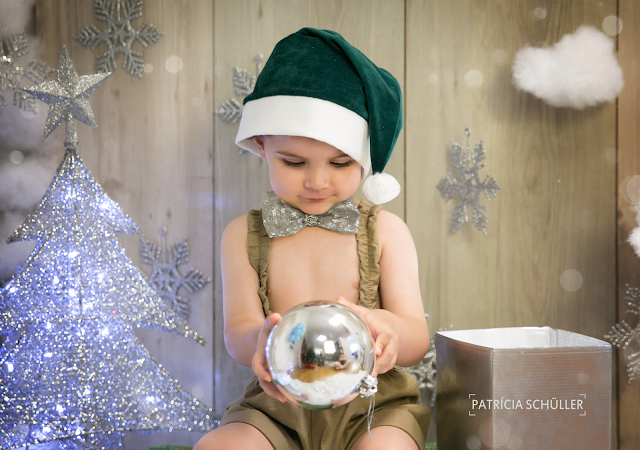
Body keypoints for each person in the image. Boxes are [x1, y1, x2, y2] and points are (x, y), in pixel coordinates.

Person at [194, 28, 430, 450]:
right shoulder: (242, 236)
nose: (317, 181)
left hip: (374, 406)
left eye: (340, 163)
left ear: (364, 159)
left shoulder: (386, 232)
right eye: (295, 161)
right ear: (262, 146)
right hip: (277, 405)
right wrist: (261, 341)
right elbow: (238, 331)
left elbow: (417, 334)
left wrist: (391, 332)